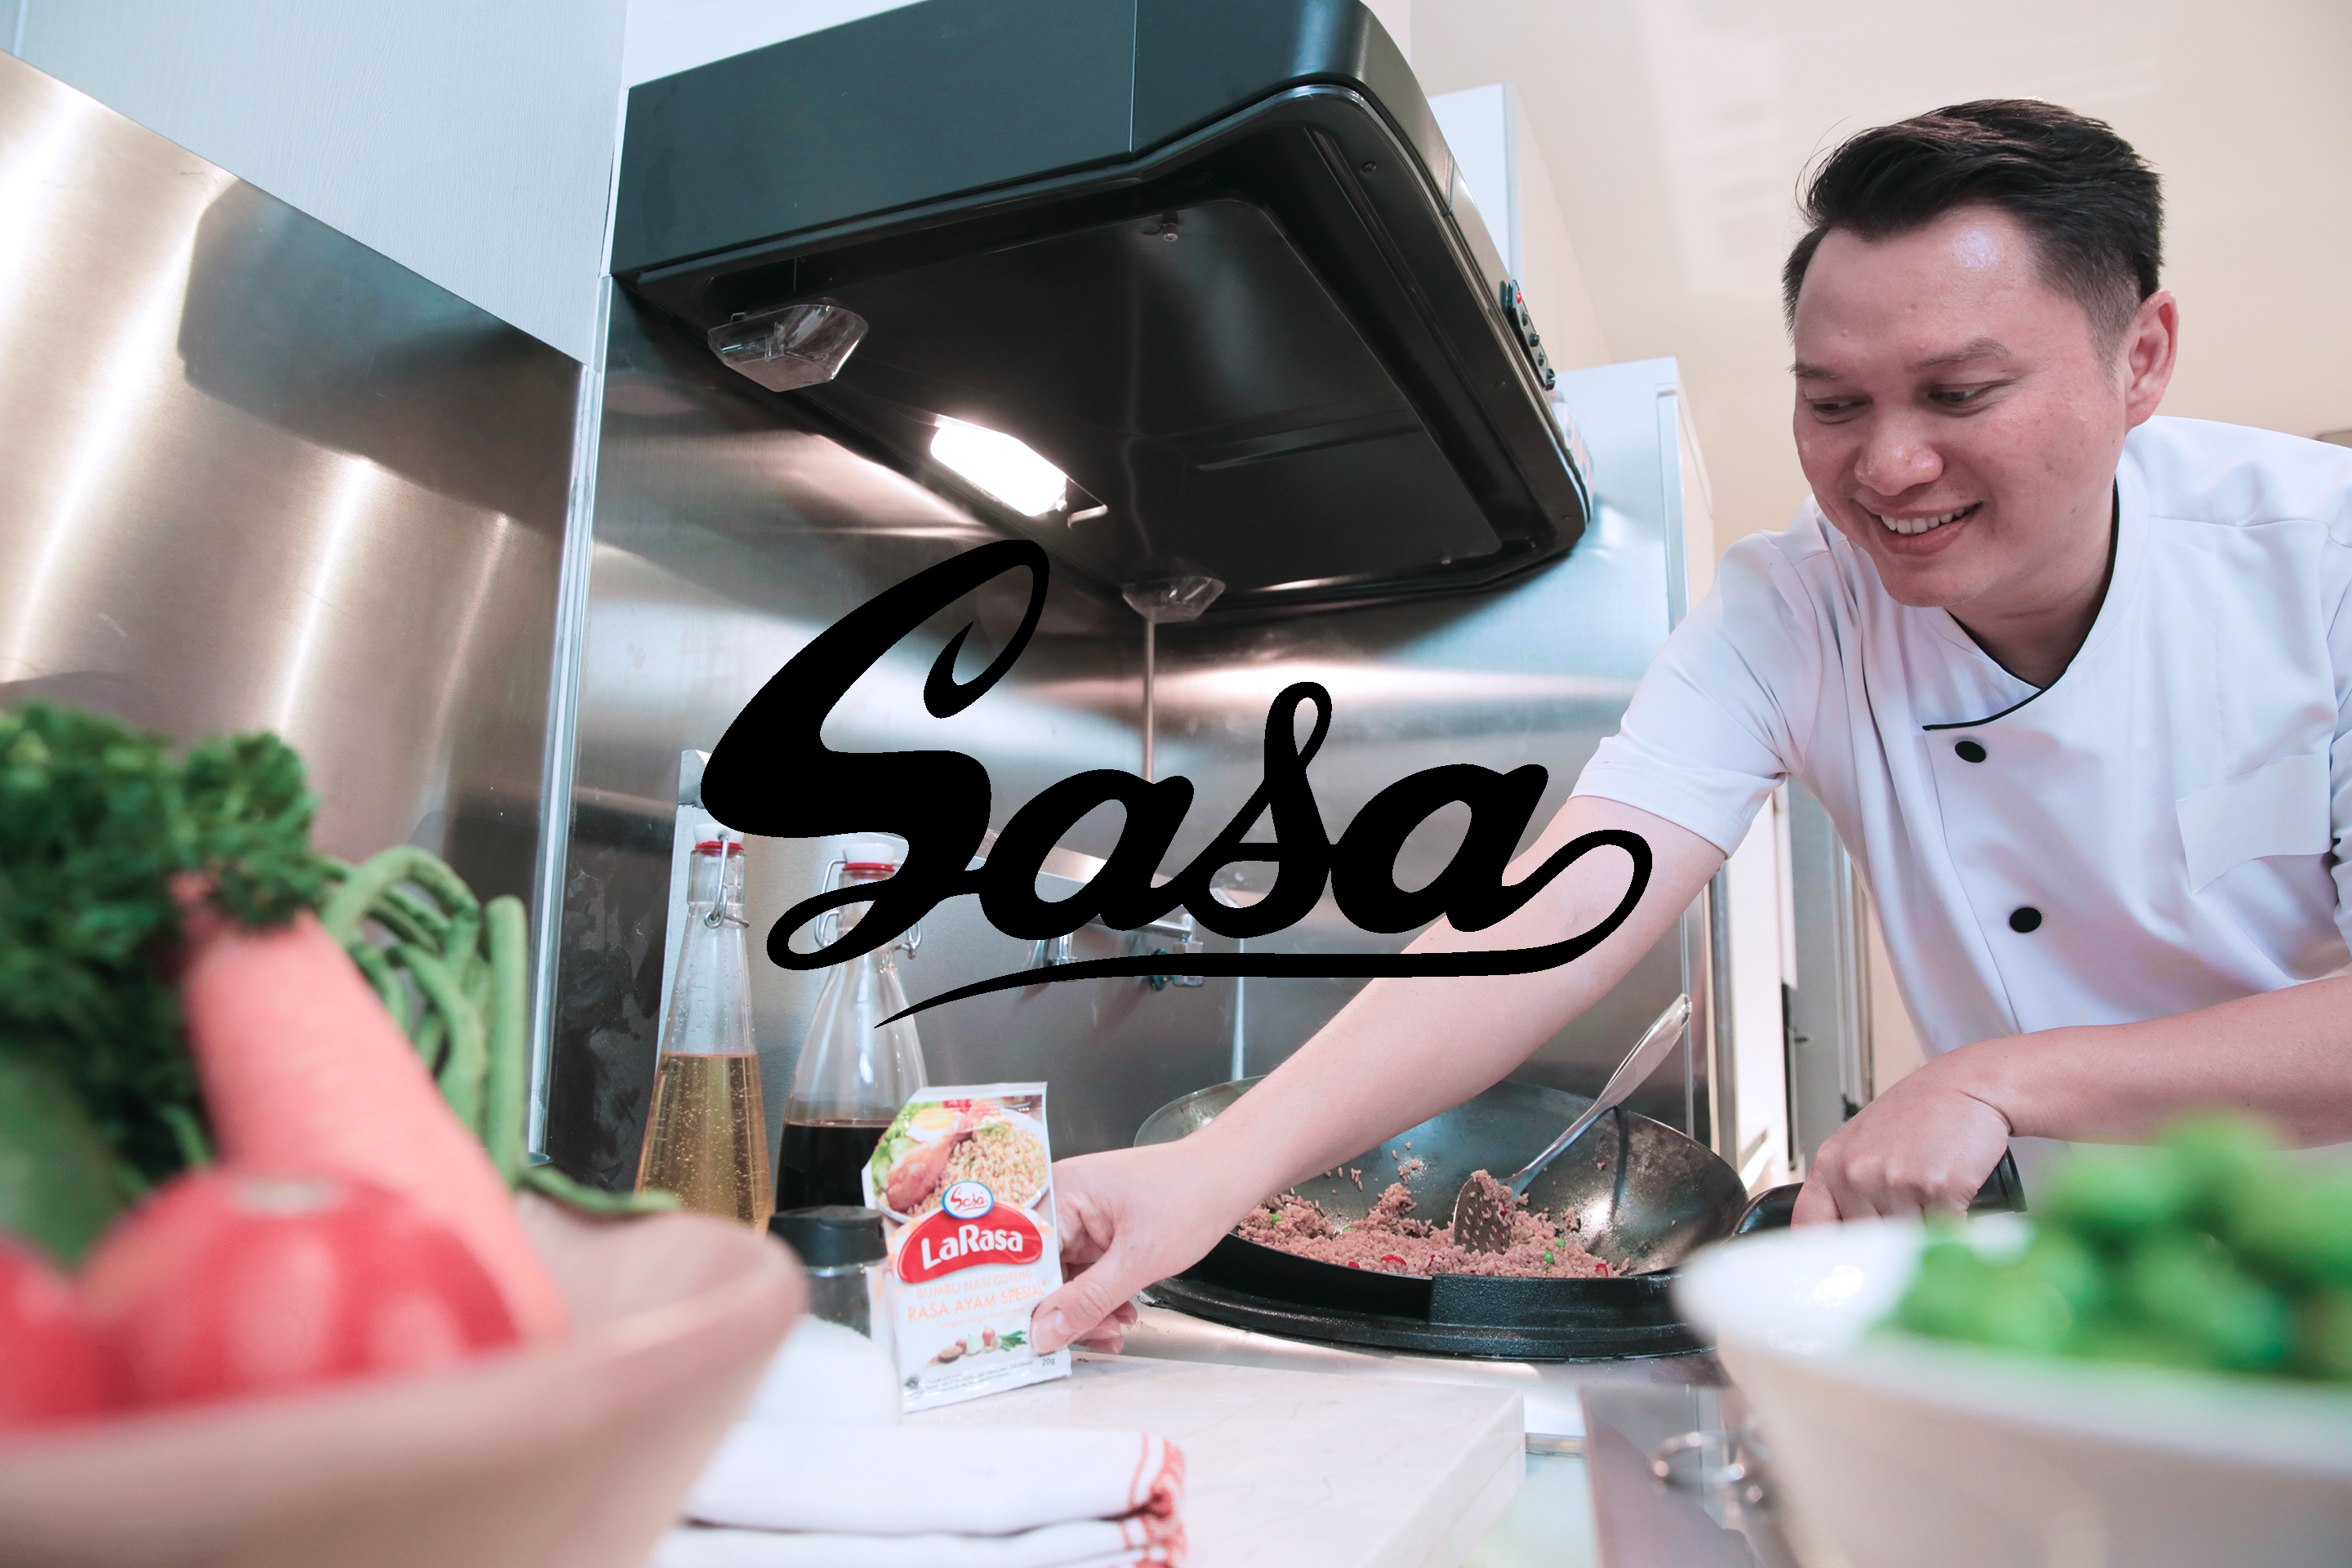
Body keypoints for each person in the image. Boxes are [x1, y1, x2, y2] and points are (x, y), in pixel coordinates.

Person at [1030, 100, 2352, 1357]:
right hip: (2100, 1285)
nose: (1888, 468)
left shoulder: (2323, 559)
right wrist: (1215, 1168)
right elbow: (1557, 911)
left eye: (1959, 395)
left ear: (2142, 357)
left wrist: (1998, 1079)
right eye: (1834, 404)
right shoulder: (1798, 604)